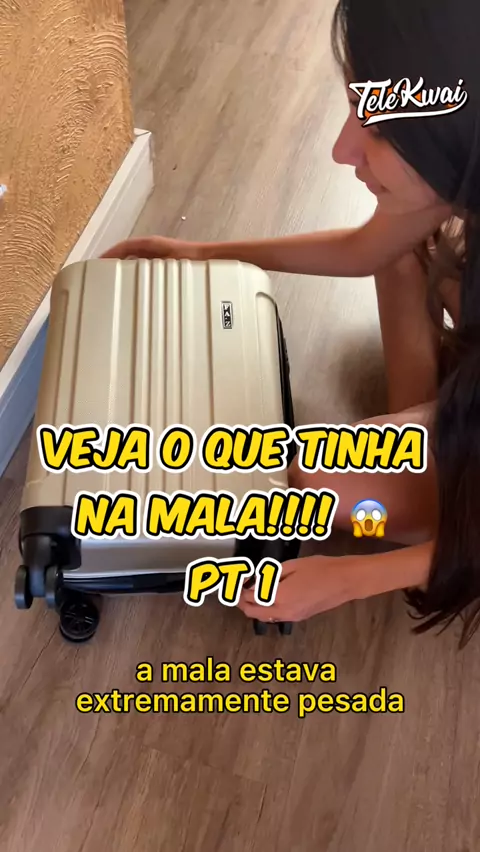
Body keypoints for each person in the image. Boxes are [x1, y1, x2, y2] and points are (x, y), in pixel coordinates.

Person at [102, 0, 480, 646]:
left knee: (303, 478)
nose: (342, 149)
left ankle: (427, 508)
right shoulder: (454, 177)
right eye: (357, 106)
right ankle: (424, 454)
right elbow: (366, 249)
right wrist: (199, 253)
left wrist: (347, 579)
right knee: (411, 246)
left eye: (378, 127)